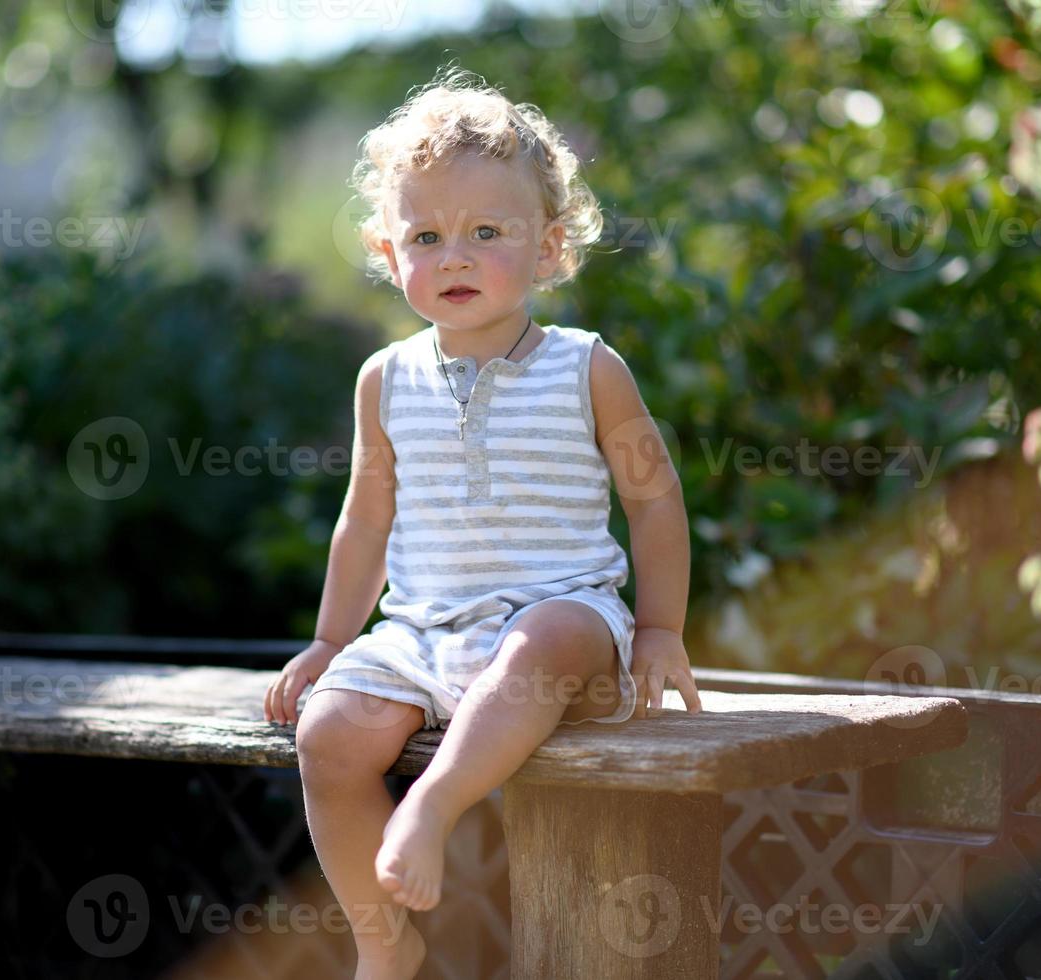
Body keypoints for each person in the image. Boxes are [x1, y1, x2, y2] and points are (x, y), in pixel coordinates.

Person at [262, 65, 703, 980]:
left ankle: (434, 804)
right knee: (327, 736)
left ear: (549, 249)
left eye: (486, 233)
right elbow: (365, 517)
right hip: (424, 631)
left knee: (539, 639)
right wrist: (328, 642)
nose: (454, 256)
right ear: (391, 256)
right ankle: (384, 939)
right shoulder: (384, 379)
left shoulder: (587, 367)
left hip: (563, 617)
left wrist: (660, 628)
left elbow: (654, 500)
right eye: (427, 235)